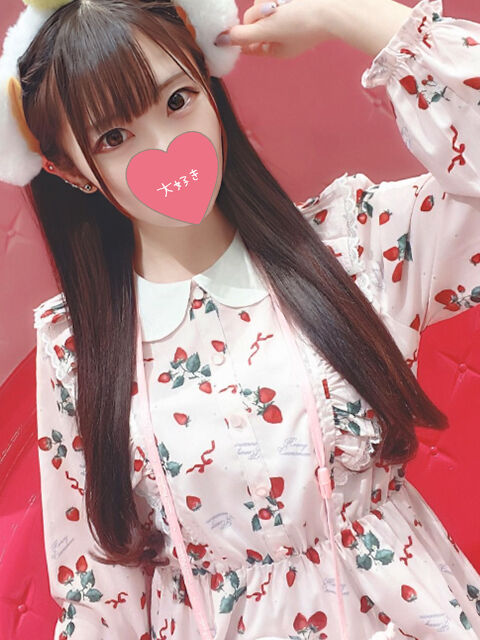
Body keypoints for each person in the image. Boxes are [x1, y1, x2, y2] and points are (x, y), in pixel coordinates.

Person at [1, 0, 480, 637]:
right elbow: (100, 602)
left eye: (177, 101)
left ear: (208, 81)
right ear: (68, 169)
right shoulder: (78, 352)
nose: (167, 147)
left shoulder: (355, 243)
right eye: (113, 137)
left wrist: (344, 13)